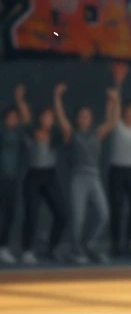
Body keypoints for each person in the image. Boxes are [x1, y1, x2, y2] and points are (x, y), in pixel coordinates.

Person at [52, 82, 118, 264]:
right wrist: (57, 97)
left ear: (90, 119)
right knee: (78, 217)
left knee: (104, 213)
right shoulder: (71, 133)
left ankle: (91, 243)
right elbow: (60, 117)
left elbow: (112, 121)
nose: (84, 119)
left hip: (94, 176)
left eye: (87, 116)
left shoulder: (97, 133)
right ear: (77, 119)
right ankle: (75, 251)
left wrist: (115, 99)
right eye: (81, 116)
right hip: (78, 177)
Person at [16, 87, 67, 265]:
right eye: (45, 116)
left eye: (50, 117)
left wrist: (57, 97)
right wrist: (20, 99)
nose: (48, 119)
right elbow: (25, 116)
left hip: (50, 175)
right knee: (31, 213)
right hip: (33, 176)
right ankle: (27, 250)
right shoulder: (31, 130)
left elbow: (67, 131)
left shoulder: (55, 135)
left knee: (62, 213)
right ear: (40, 118)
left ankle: (52, 248)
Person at [107, 73, 131, 258]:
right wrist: (118, 89)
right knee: (116, 208)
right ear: (124, 112)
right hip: (116, 171)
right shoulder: (117, 126)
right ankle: (116, 244)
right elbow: (113, 111)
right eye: (129, 110)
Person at [0, 91, 25, 265]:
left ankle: (3, 247)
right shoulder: (1, 133)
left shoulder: (20, 133)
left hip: (12, 181)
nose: (12, 120)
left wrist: (19, 99)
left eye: (15, 117)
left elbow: (27, 119)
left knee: (9, 214)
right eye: (10, 117)